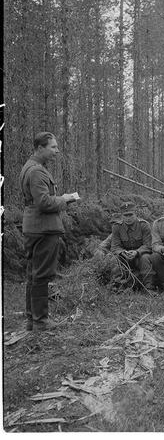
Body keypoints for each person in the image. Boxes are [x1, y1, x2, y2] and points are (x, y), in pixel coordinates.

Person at [20, 132, 79, 331]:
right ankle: (40, 321)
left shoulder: (32, 167)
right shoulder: (37, 171)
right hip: (43, 228)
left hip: (35, 226)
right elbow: (44, 202)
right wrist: (66, 199)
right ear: (40, 148)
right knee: (41, 275)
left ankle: (33, 320)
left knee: (33, 274)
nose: (57, 151)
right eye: (53, 147)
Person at [111, 202, 155, 294]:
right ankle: (118, 286)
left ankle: (149, 287)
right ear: (122, 216)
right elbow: (115, 246)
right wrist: (122, 252)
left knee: (146, 258)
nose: (128, 218)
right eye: (125, 215)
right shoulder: (117, 227)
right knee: (115, 259)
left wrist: (136, 252)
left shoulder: (143, 225)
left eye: (131, 215)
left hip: (140, 255)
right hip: (124, 256)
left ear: (135, 214)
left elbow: (148, 245)